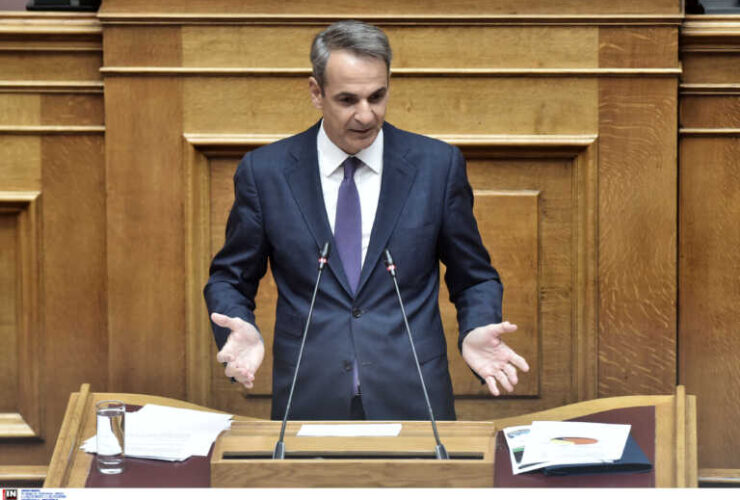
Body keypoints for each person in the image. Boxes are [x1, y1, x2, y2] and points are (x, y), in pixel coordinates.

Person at [204, 20, 529, 421]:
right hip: (309, 398)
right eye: (347, 100)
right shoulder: (266, 173)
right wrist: (239, 326)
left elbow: (475, 277)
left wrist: (477, 326)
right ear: (316, 93)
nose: (366, 115)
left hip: (413, 399)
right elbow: (230, 278)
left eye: (377, 96)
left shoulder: (436, 166)